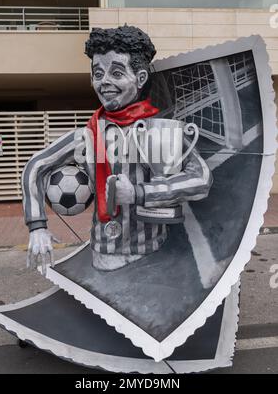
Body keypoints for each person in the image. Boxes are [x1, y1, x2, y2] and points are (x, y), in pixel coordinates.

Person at [22, 25, 212, 273]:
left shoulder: (163, 130)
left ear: (140, 78)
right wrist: (37, 227)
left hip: (155, 252)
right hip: (105, 257)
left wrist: (139, 192)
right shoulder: (87, 136)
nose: (105, 83)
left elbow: (202, 179)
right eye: (98, 74)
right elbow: (36, 166)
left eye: (117, 73)